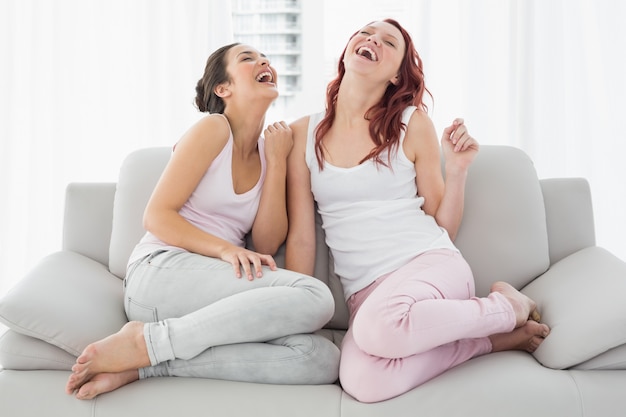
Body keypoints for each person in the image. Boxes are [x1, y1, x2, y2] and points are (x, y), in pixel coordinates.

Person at [285, 19, 551, 403]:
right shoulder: (301, 134)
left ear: (396, 75)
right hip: (368, 295)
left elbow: (443, 226)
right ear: (347, 50)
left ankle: (508, 306)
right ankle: (490, 340)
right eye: (365, 32)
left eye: (389, 42)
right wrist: (298, 312)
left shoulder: (411, 125)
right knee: (363, 382)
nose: (372, 39)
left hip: (428, 263)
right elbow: (301, 235)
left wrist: (456, 170)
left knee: (378, 330)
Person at [64, 42, 340, 400]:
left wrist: (277, 161)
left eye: (264, 58)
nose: (264, 61)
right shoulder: (213, 128)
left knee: (320, 358)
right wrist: (226, 250)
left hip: (216, 292)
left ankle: (147, 361)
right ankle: (147, 341)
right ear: (222, 89)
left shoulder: (270, 152)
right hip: (161, 273)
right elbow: (156, 215)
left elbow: (268, 243)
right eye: (247, 58)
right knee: (314, 295)